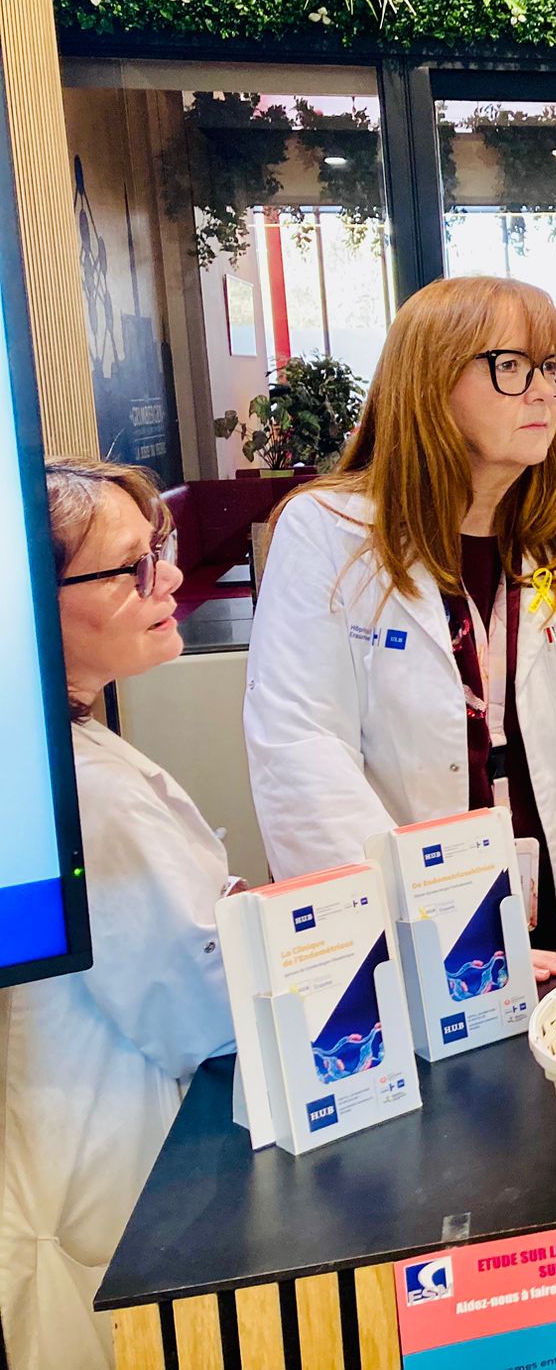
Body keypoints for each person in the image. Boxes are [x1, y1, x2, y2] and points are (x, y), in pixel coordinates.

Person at [245, 275, 556, 972]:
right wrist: (439, 934)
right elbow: (302, 753)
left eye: (552, 367)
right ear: (430, 380)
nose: (543, 392)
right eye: (511, 366)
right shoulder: (329, 534)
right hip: (415, 938)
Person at [0, 459, 237, 1369]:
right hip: (95, 1178)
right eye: (132, 567)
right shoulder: (87, 794)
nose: (167, 579)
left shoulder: (64, 748)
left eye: (160, 551)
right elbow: (201, 1016)